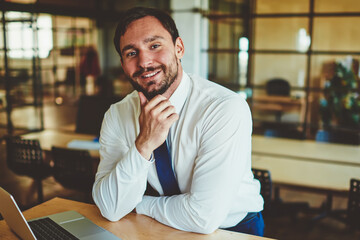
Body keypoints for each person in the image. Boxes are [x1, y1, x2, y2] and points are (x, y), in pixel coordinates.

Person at [92, 7, 264, 236]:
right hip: (164, 225)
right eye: (131, 53)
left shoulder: (223, 108)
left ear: (178, 48)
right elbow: (110, 208)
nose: (144, 62)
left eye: (154, 46)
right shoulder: (117, 115)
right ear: (123, 65)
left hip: (233, 229)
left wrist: (138, 204)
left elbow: (203, 217)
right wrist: (143, 145)